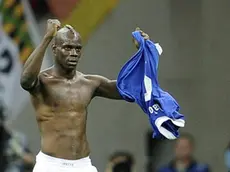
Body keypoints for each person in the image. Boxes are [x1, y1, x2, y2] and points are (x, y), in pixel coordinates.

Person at [20, 19, 149, 172]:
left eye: (77, 48)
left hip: (83, 165)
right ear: (54, 49)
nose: (73, 53)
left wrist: (144, 53)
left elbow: (129, 90)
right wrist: (47, 37)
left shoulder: (89, 83)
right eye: (67, 48)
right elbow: (25, 80)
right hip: (51, 165)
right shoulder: (42, 82)